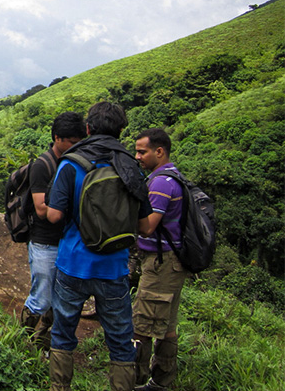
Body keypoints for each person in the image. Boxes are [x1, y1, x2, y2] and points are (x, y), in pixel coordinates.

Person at [46, 102, 153, 391]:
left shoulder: (71, 163)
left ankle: (59, 387)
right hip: (114, 267)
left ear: (88, 128)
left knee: (63, 334)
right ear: (121, 131)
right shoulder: (131, 166)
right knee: (120, 341)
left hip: (73, 264)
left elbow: (54, 215)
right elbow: (145, 227)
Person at [19, 112, 86, 350]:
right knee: (41, 297)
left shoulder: (76, 162)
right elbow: (40, 209)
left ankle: (43, 342)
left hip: (68, 241)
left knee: (60, 299)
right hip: (45, 241)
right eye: (72, 142)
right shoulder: (43, 165)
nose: (77, 146)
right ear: (57, 138)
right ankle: (21, 341)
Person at [132, 129, 190, 391]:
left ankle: (135, 380)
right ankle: (161, 381)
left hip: (161, 263)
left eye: (142, 151)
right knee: (167, 326)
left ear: (159, 151)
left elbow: (147, 227)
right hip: (172, 261)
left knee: (142, 325)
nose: (137, 156)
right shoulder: (173, 176)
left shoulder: (161, 184)